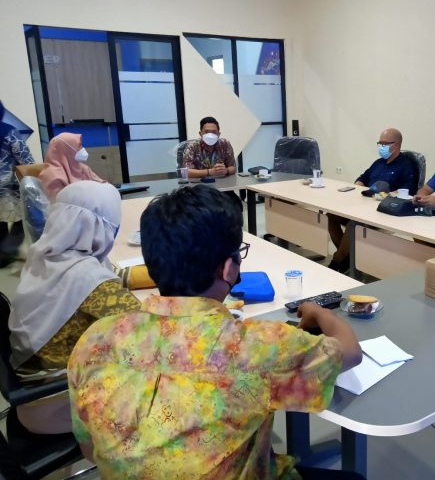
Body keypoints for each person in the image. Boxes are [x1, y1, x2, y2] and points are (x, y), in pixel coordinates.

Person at [68, 185, 362, 479]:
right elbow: (350, 352)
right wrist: (321, 313)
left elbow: (89, 448)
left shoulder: (95, 340)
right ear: (228, 269)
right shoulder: (255, 346)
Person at [9, 181, 140, 434]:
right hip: (56, 403)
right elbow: (148, 326)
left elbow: (106, 278)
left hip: (32, 394)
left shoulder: (44, 256)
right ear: (99, 227)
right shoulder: (88, 280)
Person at [328, 128, 418, 272]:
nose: (381, 147)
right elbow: (362, 179)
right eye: (380, 143)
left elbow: (408, 191)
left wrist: (386, 194)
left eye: (385, 143)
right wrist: (358, 186)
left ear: (397, 145)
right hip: (363, 206)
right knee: (331, 216)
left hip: (383, 211)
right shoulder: (378, 163)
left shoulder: (407, 166)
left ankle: (336, 263)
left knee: (354, 225)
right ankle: (347, 259)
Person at [0, 102, 35, 267]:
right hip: (9, 188)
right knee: (22, 217)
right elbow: (25, 158)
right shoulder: (9, 131)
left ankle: (3, 255)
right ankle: (8, 249)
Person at [39, 132, 105, 200]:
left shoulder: (82, 168)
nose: (82, 148)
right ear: (66, 149)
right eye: (79, 146)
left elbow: (102, 184)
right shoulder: (52, 177)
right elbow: (57, 203)